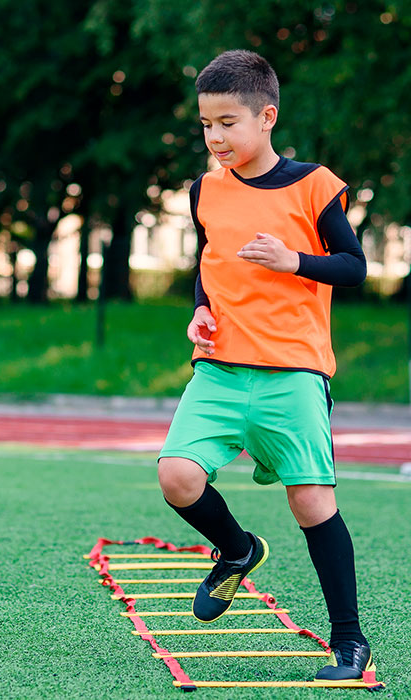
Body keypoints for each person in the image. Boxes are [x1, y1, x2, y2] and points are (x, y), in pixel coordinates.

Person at [157, 50, 374, 682]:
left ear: (266, 117)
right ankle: (236, 549)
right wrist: (200, 309)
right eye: (206, 125)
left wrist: (295, 261)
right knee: (177, 477)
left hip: (294, 374)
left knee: (310, 503)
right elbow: (211, 261)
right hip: (219, 370)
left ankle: (349, 642)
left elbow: (355, 266)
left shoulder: (314, 184)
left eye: (228, 122)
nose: (216, 137)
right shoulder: (204, 189)